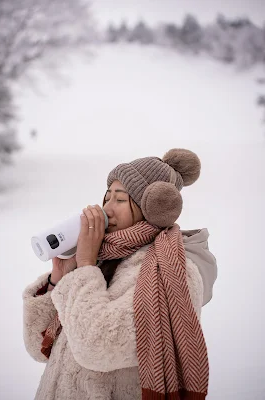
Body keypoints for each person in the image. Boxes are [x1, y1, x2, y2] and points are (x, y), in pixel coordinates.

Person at [22, 148, 217, 400]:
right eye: (107, 197)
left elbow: (98, 346)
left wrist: (85, 266)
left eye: (120, 200)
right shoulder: (104, 258)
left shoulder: (170, 271)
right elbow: (39, 348)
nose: (106, 209)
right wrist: (58, 278)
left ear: (152, 206)